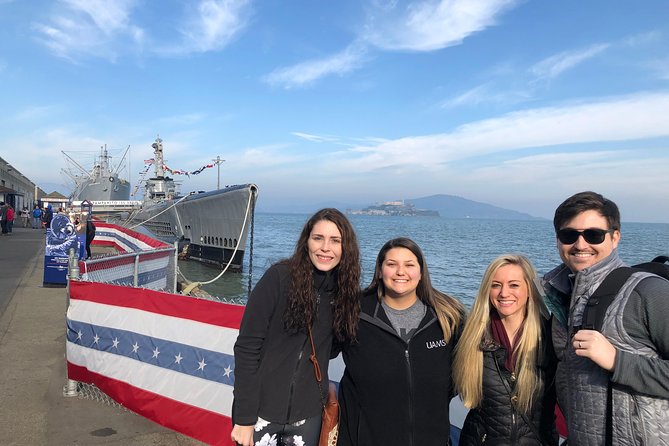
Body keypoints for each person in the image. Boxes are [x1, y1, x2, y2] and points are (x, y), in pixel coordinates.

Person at [541, 191, 669, 445]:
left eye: (593, 235)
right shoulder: (557, 295)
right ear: (558, 241)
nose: (580, 244)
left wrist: (617, 361)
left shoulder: (648, 292)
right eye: (569, 235)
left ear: (615, 237)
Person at [231, 208, 361, 446]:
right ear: (306, 242)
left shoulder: (345, 295)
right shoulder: (279, 278)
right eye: (318, 238)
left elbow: (333, 349)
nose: (325, 248)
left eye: (335, 241)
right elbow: (247, 347)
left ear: (345, 248)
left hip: (308, 415)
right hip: (260, 412)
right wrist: (244, 417)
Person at [336, 237, 465, 446]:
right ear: (380, 270)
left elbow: (465, 374)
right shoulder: (353, 313)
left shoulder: (447, 317)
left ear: (421, 272)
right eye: (391, 264)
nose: (400, 272)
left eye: (409, 265)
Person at [454, 254, 557, 445]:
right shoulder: (471, 336)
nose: (504, 293)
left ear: (529, 289)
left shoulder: (552, 337)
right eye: (495, 285)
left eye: (514, 285)